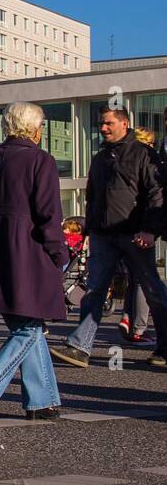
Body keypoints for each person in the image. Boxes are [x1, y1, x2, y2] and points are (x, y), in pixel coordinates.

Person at [0, 103, 67, 426]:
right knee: (30, 327)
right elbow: (49, 215)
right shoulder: (40, 160)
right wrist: (59, 253)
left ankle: (42, 399)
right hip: (29, 254)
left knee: (26, 325)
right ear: (34, 130)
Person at [51, 106, 167, 369]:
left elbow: (156, 194)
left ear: (124, 124)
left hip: (134, 236)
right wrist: (90, 231)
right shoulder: (101, 157)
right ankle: (80, 347)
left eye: (108, 123)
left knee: (153, 291)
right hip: (104, 236)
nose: (103, 128)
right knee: (93, 290)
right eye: (101, 124)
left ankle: (165, 346)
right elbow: (92, 196)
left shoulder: (142, 154)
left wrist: (150, 230)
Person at [118, 127, 162, 345]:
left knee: (135, 278)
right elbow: (156, 194)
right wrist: (152, 228)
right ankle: (139, 327)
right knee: (147, 279)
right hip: (142, 226)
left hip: (124, 227)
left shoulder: (121, 156)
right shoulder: (148, 158)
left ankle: (128, 317)